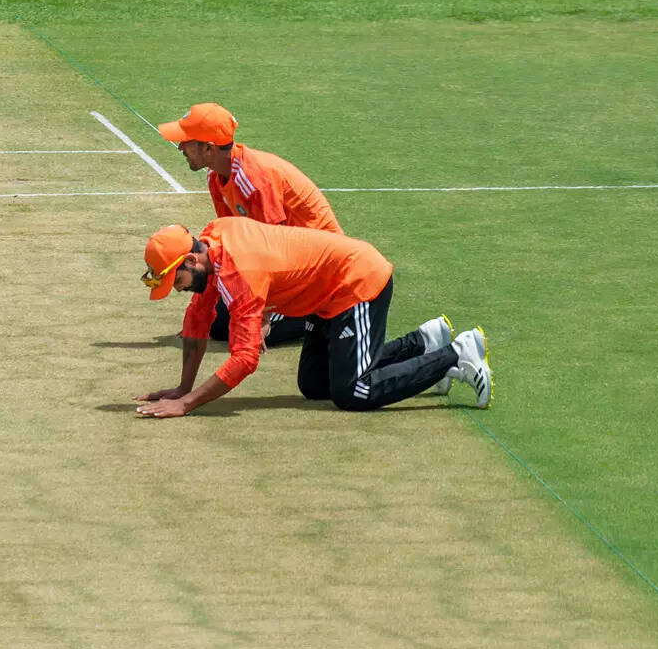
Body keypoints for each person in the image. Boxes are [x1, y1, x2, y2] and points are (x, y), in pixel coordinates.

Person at [133, 218, 492, 418]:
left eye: (176, 280)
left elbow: (245, 359)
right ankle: (423, 342)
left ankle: (456, 355)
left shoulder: (239, 272)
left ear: (191, 260)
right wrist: (183, 387)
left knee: (354, 391)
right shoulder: (213, 241)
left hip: (357, 282)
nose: (177, 289)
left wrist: (186, 404)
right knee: (315, 385)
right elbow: (198, 319)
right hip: (325, 297)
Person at [157, 102, 341, 346]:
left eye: (186, 141)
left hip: (316, 269)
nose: (180, 146)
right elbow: (222, 247)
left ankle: (321, 310)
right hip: (286, 259)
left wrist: (263, 316)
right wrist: (199, 314)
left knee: (232, 325)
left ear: (209, 148)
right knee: (220, 322)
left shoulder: (254, 180)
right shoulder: (216, 176)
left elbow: (277, 248)